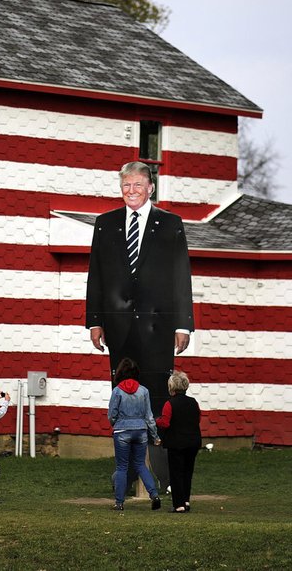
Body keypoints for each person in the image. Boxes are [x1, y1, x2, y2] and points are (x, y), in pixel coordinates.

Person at [86, 161, 195, 415]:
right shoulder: (105, 224)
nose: (131, 190)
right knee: (123, 396)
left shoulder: (170, 224)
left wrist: (182, 325)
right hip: (118, 326)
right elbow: (97, 276)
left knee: (156, 396)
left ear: (150, 188)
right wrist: (95, 322)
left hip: (158, 327)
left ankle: (155, 451)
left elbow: (181, 276)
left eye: (137, 184)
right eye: (126, 185)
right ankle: (125, 452)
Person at [108, 357, 162, 511]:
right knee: (141, 465)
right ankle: (154, 495)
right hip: (141, 431)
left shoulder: (117, 391)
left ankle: (119, 502)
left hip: (122, 430)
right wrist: (155, 436)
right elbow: (149, 417)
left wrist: (115, 424)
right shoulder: (144, 391)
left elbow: (112, 414)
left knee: (122, 467)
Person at [155, 371, 202, 513]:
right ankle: (186, 501)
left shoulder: (169, 404)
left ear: (172, 387)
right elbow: (197, 419)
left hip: (176, 443)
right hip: (193, 441)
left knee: (176, 473)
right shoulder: (194, 402)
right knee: (188, 472)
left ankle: (179, 504)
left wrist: (155, 420)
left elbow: (165, 423)